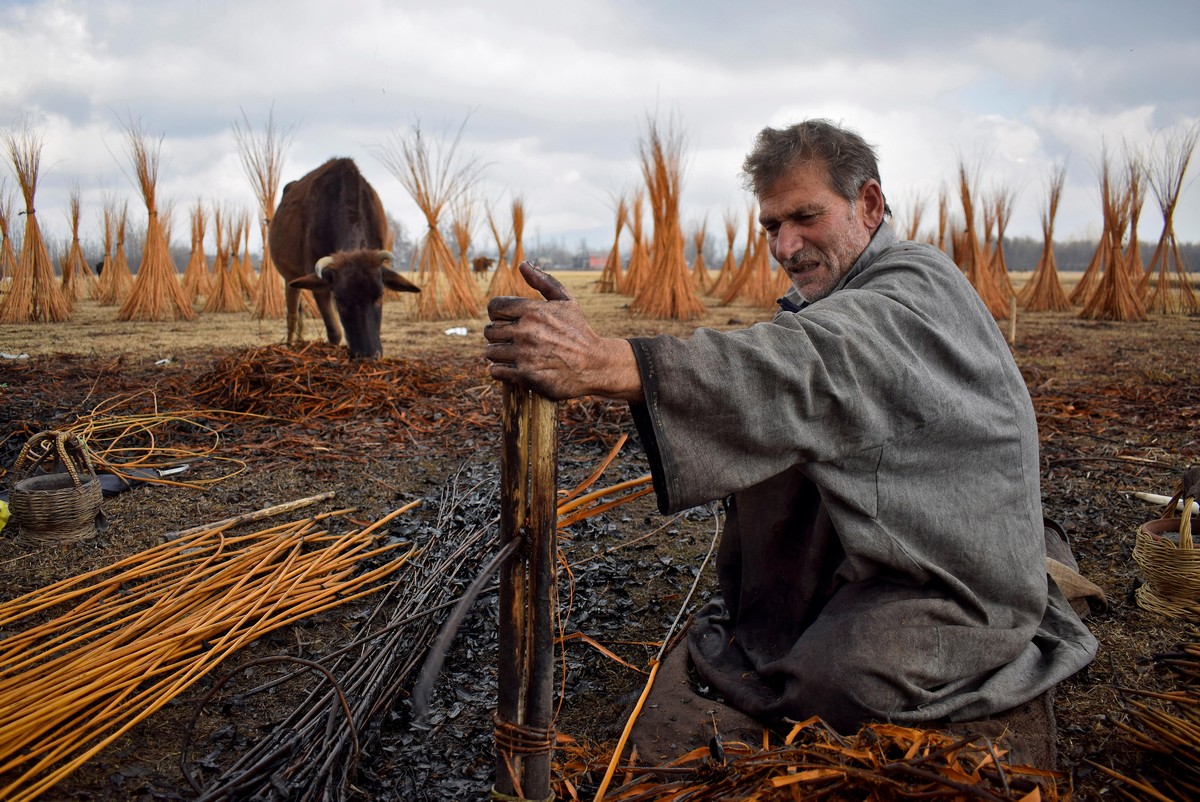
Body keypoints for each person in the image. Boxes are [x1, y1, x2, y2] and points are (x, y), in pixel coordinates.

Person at [484, 119, 1097, 743]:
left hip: (956, 565)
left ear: (869, 204)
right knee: (772, 454)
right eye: (772, 227)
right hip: (901, 529)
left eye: (805, 217)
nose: (785, 245)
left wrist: (606, 362)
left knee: (835, 683)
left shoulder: (908, 294)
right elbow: (790, 376)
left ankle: (993, 628)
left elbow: (799, 367)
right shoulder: (852, 290)